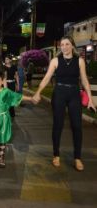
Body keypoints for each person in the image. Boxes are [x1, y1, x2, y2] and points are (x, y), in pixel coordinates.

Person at [33, 36, 96, 171]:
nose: (64, 47)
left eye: (67, 44)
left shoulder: (80, 61)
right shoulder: (55, 60)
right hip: (59, 93)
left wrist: (90, 98)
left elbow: (84, 80)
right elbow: (46, 78)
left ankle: (77, 158)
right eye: (62, 44)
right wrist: (38, 92)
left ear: (72, 46)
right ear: (60, 47)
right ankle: (56, 155)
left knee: (77, 126)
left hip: (74, 94)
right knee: (58, 125)